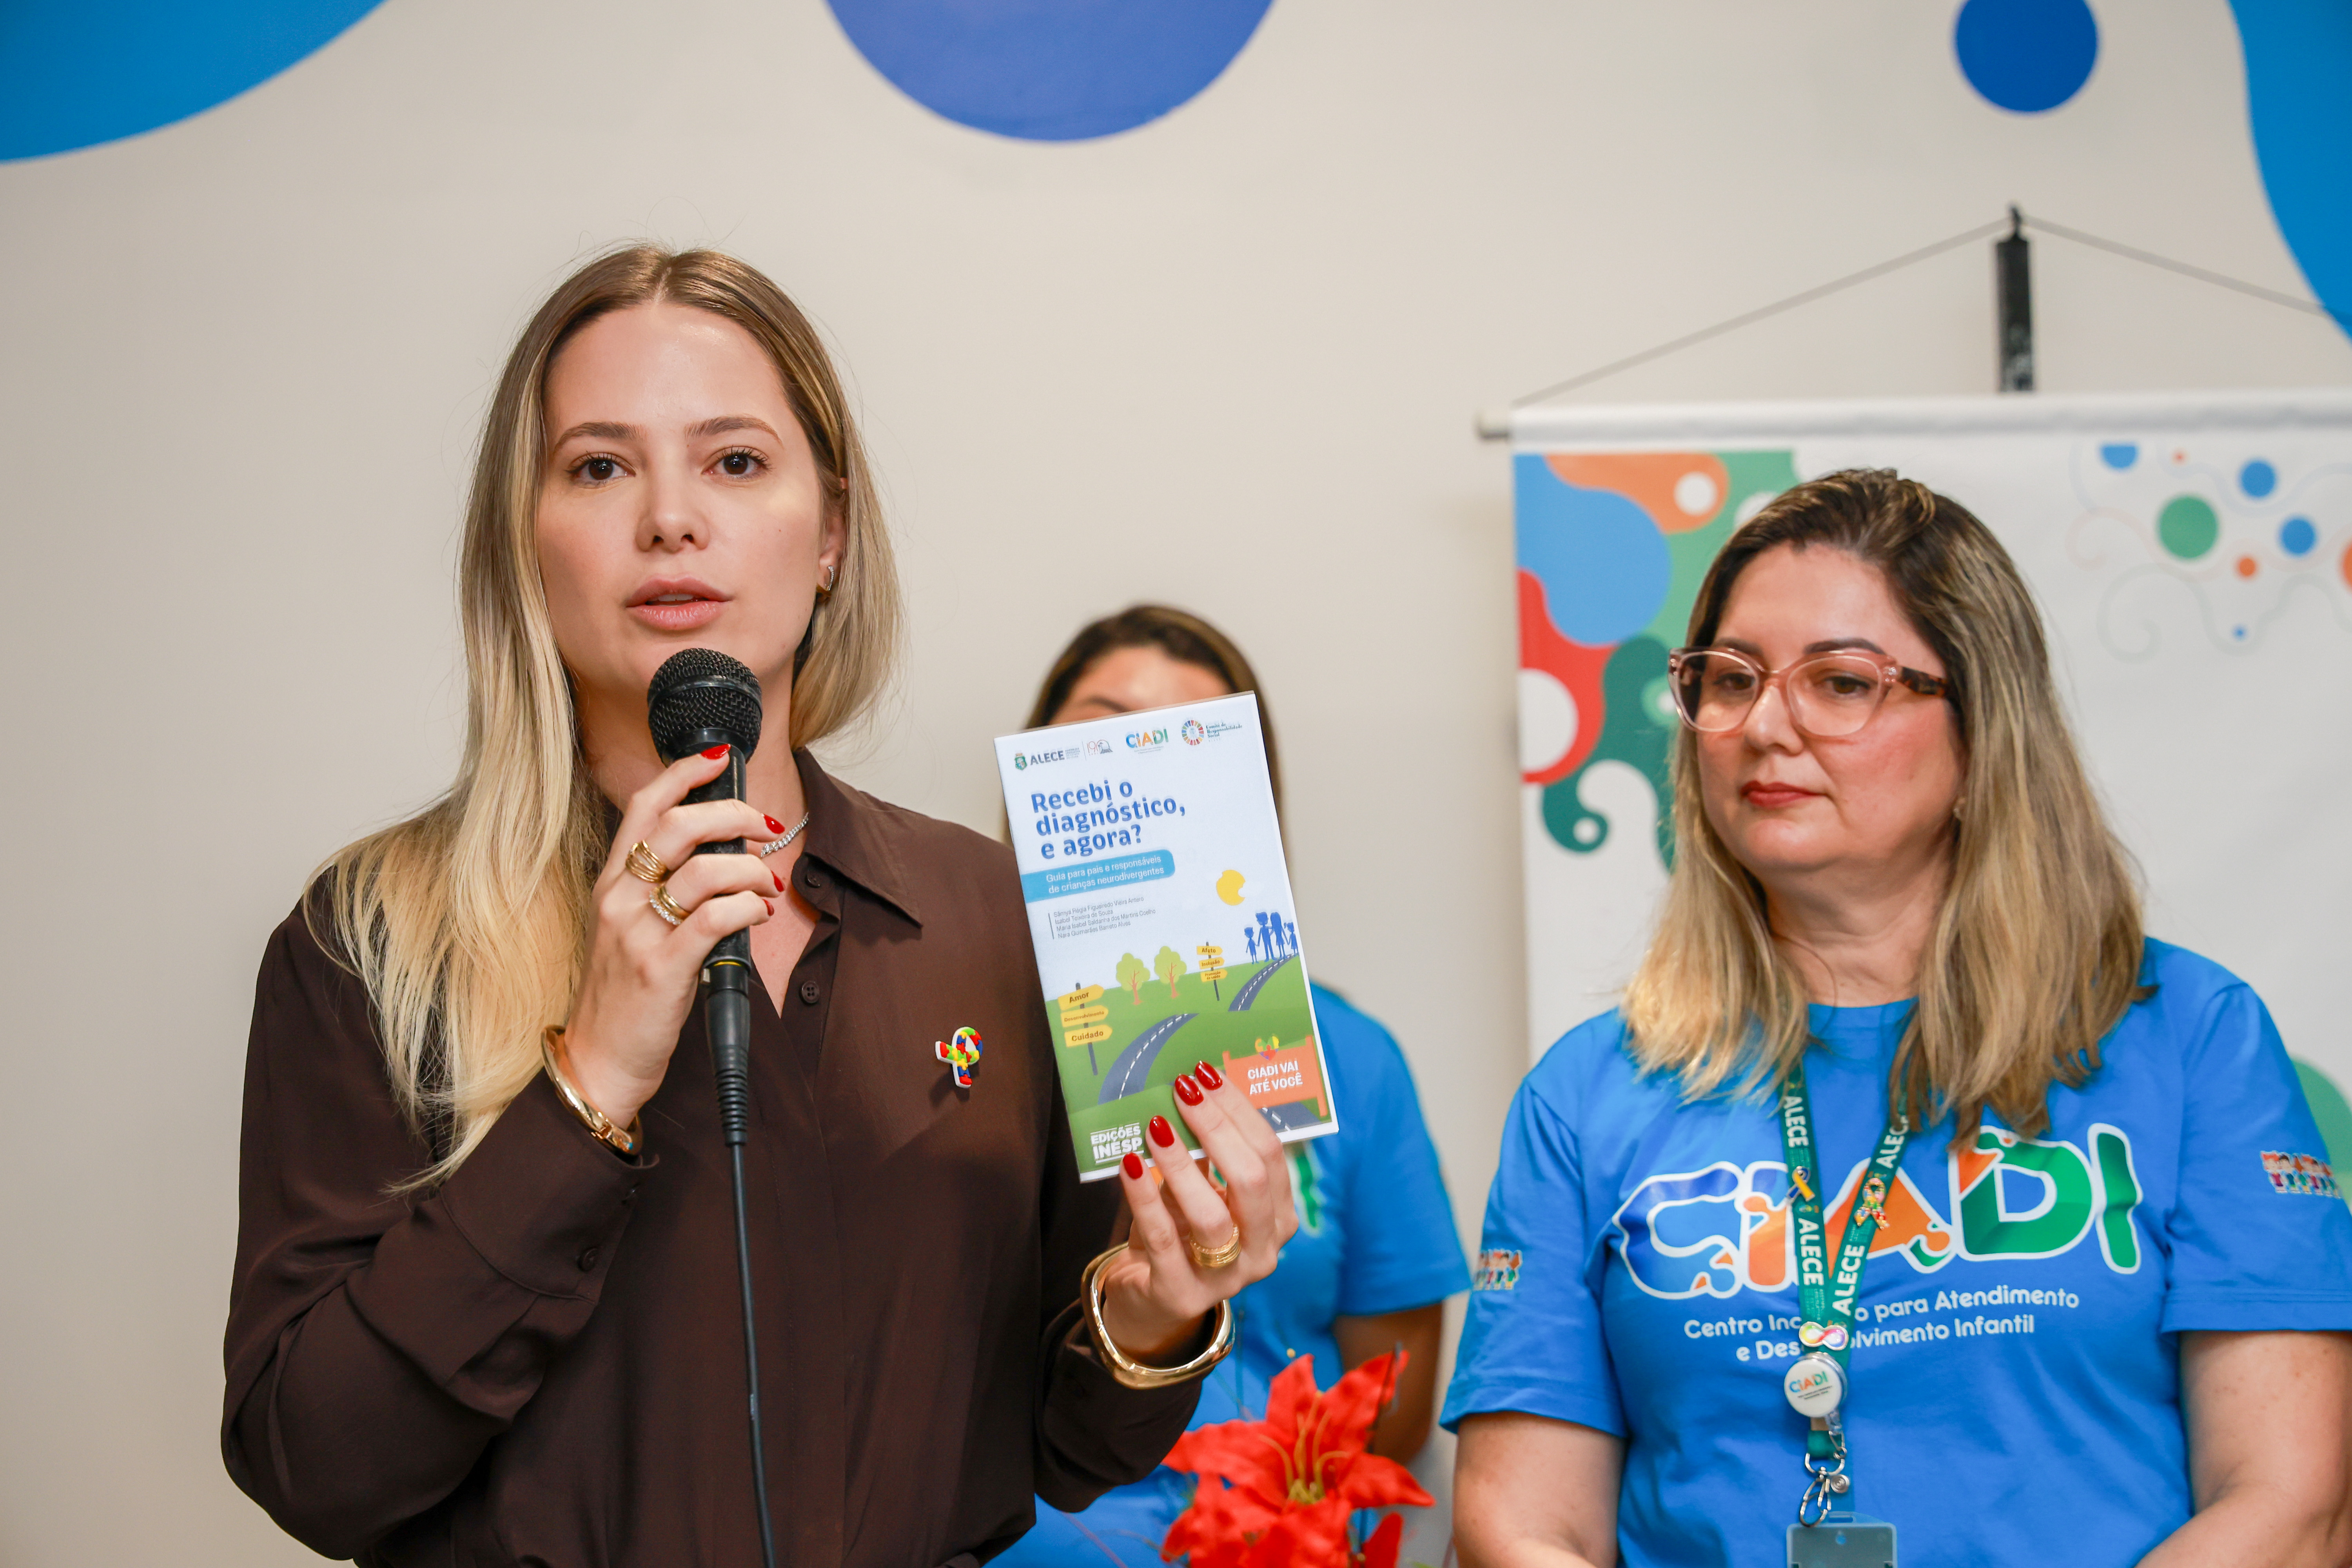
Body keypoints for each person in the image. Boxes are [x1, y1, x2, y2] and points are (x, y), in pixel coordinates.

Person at [221, 248, 1299, 1568]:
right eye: (599, 467)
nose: (671, 519)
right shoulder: (373, 942)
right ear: (524, 538)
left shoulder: (987, 917)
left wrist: (1153, 1315)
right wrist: (587, 1085)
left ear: (831, 530)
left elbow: (1061, 1447)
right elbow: (312, 1467)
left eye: (735, 461)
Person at [1446, 470, 2352, 1568]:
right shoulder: (1588, 1093)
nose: (1763, 726)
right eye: (1730, 680)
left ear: (1982, 733)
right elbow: (1518, 1526)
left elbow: (2290, 1506)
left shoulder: (2192, 1037)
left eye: (1840, 682)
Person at [991, 606, 1470, 1567]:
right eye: (1102, 733)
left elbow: (1397, 1398)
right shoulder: (941, 1043)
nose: (1139, 776)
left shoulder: (1350, 1058)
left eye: (1191, 748)